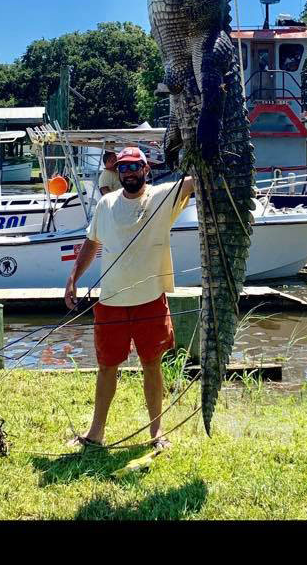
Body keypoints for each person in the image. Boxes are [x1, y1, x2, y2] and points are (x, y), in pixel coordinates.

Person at [65, 145, 193, 450]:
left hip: (150, 299)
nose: (130, 172)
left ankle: (156, 432)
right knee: (106, 366)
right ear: (117, 172)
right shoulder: (105, 204)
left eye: (136, 167)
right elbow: (91, 244)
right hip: (110, 302)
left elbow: (196, 179)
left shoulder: (163, 196)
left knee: (152, 364)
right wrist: (72, 280)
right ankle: (96, 433)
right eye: (123, 168)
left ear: (146, 170)